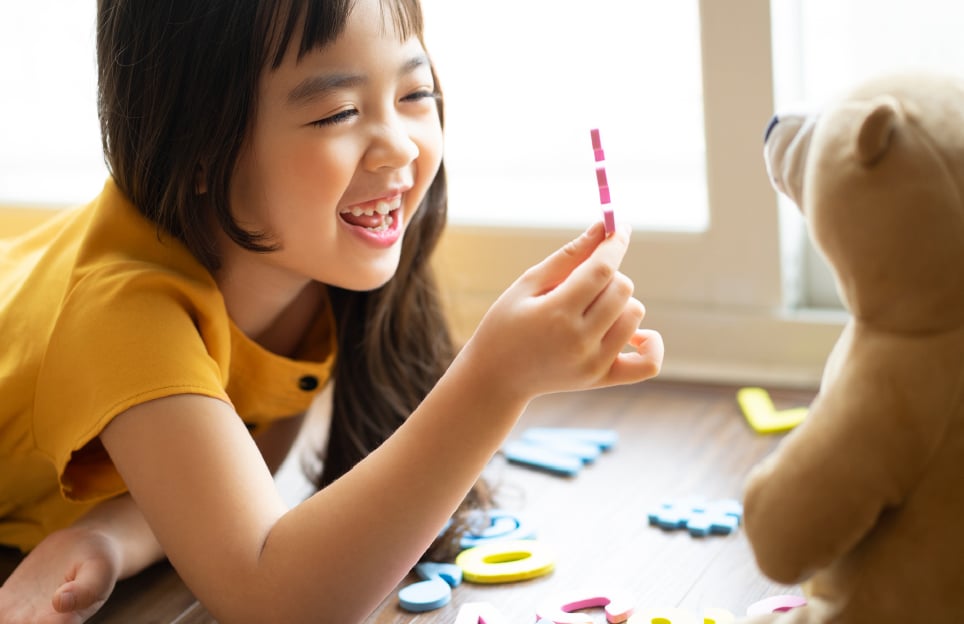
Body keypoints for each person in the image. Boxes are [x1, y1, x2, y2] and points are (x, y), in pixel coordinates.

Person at [0, 0, 664, 621]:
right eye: (337, 113)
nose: (401, 146)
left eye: (415, 95)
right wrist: (496, 379)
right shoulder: (124, 314)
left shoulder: (296, 257)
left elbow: (235, 477)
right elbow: (273, 597)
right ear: (196, 145)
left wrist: (114, 532)